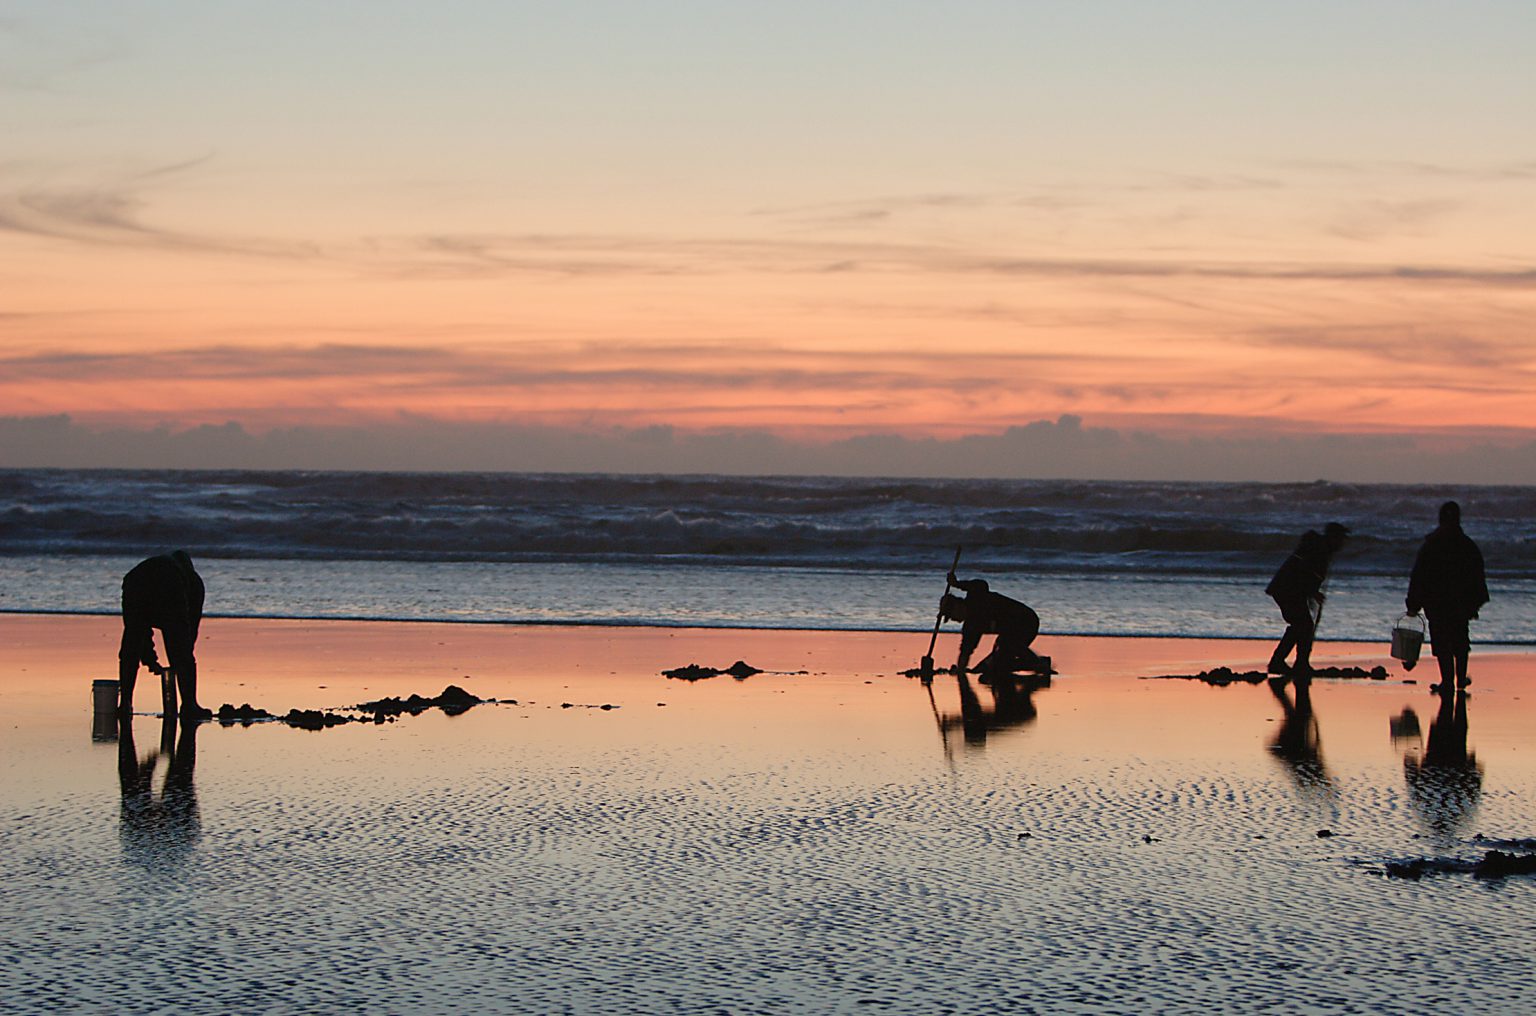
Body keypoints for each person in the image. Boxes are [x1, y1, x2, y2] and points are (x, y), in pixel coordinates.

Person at [1406, 501, 1488, 690]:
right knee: (1460, 640)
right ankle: (1459, 680)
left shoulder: (1431, 545)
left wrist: (1413, 602)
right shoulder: (1467, 545)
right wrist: (1475, 603)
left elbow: (1419, 575)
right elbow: (1478, 575)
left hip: (1437, 602)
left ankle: (1448, 681)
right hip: (1460, 603)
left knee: (1442, 641)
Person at [119, 550, 209, 721]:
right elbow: (189, 631)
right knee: (180, 651)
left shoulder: (148, 571)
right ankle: (189, 705)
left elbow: (139, 628)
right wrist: (181, 658)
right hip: (168, 585)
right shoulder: (193, 582)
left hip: (134, 581)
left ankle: (125, 703)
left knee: (131, 644)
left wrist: (148, 657)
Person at [1265, 522, 1349, 678]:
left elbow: (1307, 574)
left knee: (1302, 625)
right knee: (1303, 624)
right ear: (1332, 537)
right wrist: (1313, 592)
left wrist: (1312, 592)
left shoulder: (1321, 548)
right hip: (1287, 589)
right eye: (1341, 539)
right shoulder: (1318, 550)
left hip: (1289, 589)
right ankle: (1285, 662)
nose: (1343, 543)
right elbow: (1302, 572)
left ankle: (1297, 663)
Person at [939, 572, 1043, 675]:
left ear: (957, 606)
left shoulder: (976, 597)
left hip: (1027, 621)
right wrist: (960, 670)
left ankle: (1037, 664)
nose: (954, 620)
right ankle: (1035, 664)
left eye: (951, 616)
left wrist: (956, 584)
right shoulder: (970, 627)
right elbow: (965, 651)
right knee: (991, 665)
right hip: (1009, 632)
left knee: (1007, 647)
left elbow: (981, 584)